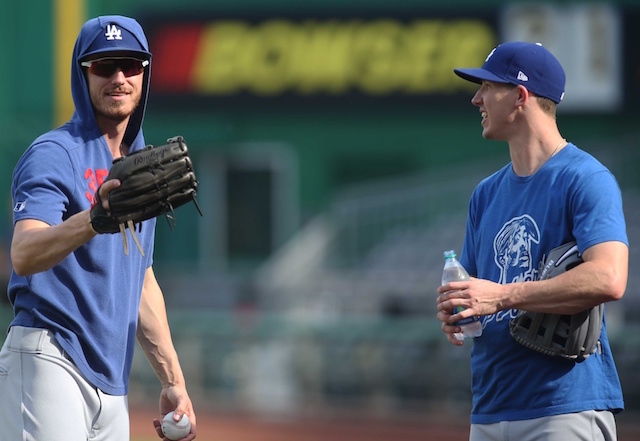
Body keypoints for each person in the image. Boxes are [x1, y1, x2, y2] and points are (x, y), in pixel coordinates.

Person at [0, 15, 197, 440]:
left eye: (131, 65)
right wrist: (94, 219)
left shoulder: (143, 168)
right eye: (104, 67)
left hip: (112, 382)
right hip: (49, 358)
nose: (119, 77)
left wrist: (173, 381)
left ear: (146, 71)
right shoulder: (54, 153)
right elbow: (25, 252)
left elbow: (141, 281)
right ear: (83, 73)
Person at [437, 41, 628, 440]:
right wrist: (460, 308)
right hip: (489, 408)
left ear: (520, 97)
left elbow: (610, 278)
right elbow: (480, 295)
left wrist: (502, 296)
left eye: (488, 87)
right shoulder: (486, 194)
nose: (477, 99)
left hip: (562, 408)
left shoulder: (585, 178)